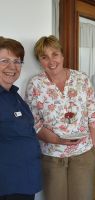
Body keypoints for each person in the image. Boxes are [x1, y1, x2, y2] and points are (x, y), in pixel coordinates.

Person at [25, 35, 95, 200]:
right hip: (51, 155)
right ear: (39, 60)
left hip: (83, 153)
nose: (51, 61)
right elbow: (32, 121)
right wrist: (55, 139)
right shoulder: (35, 84)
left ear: (62, 55)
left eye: (55, 54)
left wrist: (92, 147)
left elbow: (94, 113)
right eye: (44, 57)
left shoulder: (81, 79)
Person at [0, 37, 42, 200]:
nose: (12, 67)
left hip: (23, 181)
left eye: (17, 61)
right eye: (4, 60)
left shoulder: (14, 95)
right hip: (7, 186)